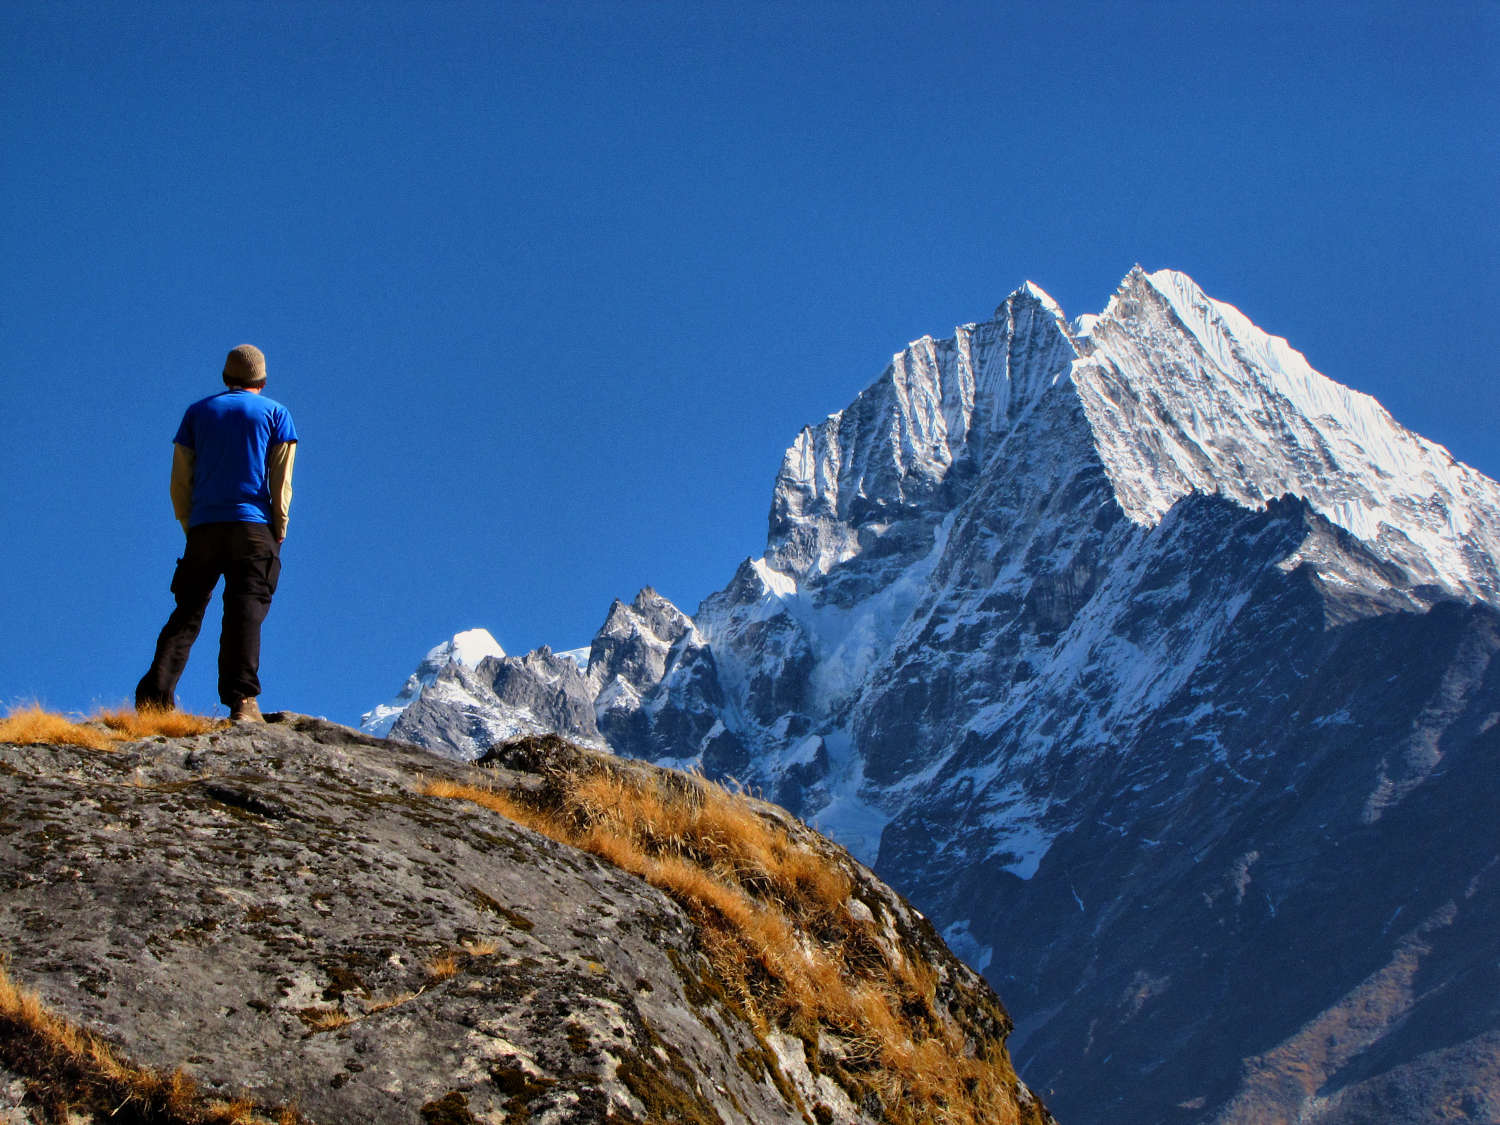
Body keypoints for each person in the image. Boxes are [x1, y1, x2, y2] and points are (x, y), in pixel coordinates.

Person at [135, 344, 298, 722]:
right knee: (245, 611)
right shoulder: (276, 414)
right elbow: (282, 479)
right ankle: (242, 702)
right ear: (262, 380)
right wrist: (279, 526)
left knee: (188, 611)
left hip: (204, 528)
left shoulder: (197, 413)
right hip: (253, 527)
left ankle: (155, 697)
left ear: (226, 378)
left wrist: (190, 524)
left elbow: (180, 480)